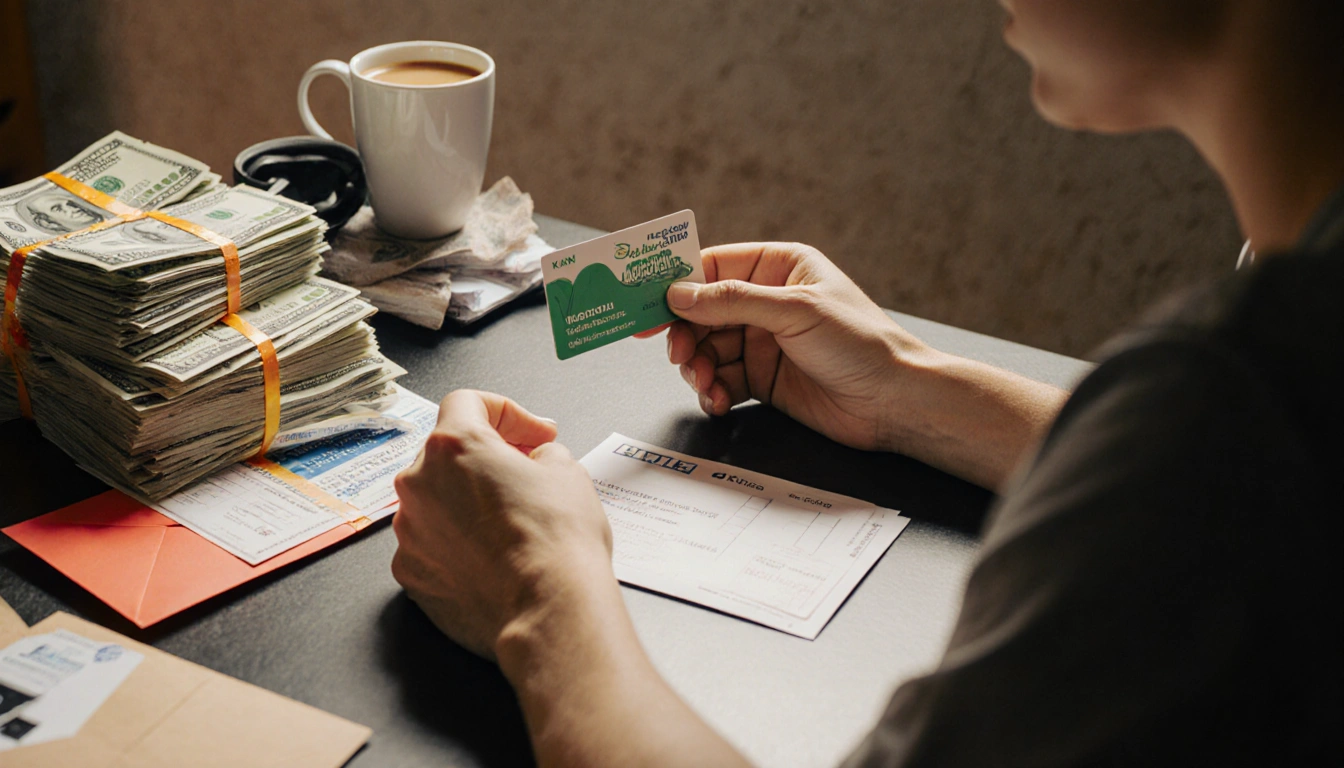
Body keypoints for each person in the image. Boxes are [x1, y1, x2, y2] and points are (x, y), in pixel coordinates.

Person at [390, 0, 1342, 765]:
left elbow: (1223, 472)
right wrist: (908, 389)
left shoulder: (1238, 401)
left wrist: (538, 599)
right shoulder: (1269, 348)